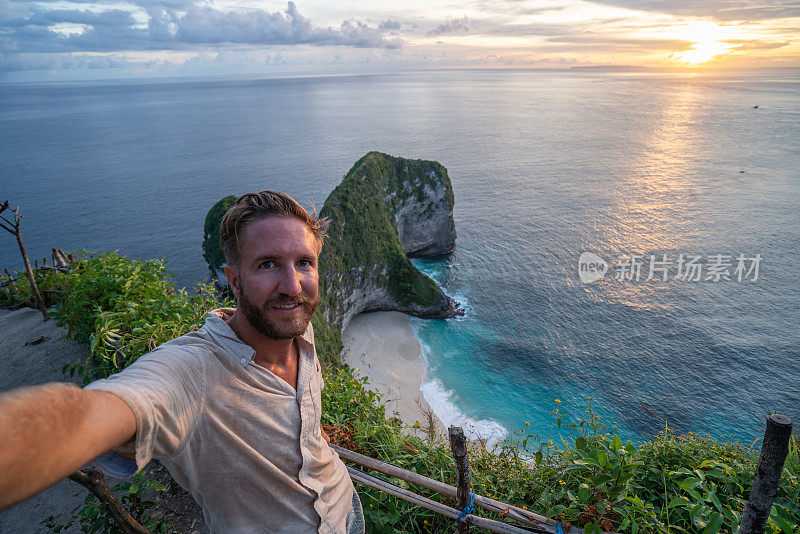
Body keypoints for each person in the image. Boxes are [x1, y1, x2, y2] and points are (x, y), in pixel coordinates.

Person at [0, 190, 364, 533]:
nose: (293, 285)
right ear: (234, 281)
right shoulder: (191, 371)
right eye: (268, 264)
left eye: (304, 263)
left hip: (345, 507)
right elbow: (103, 409)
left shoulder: (295, 324)